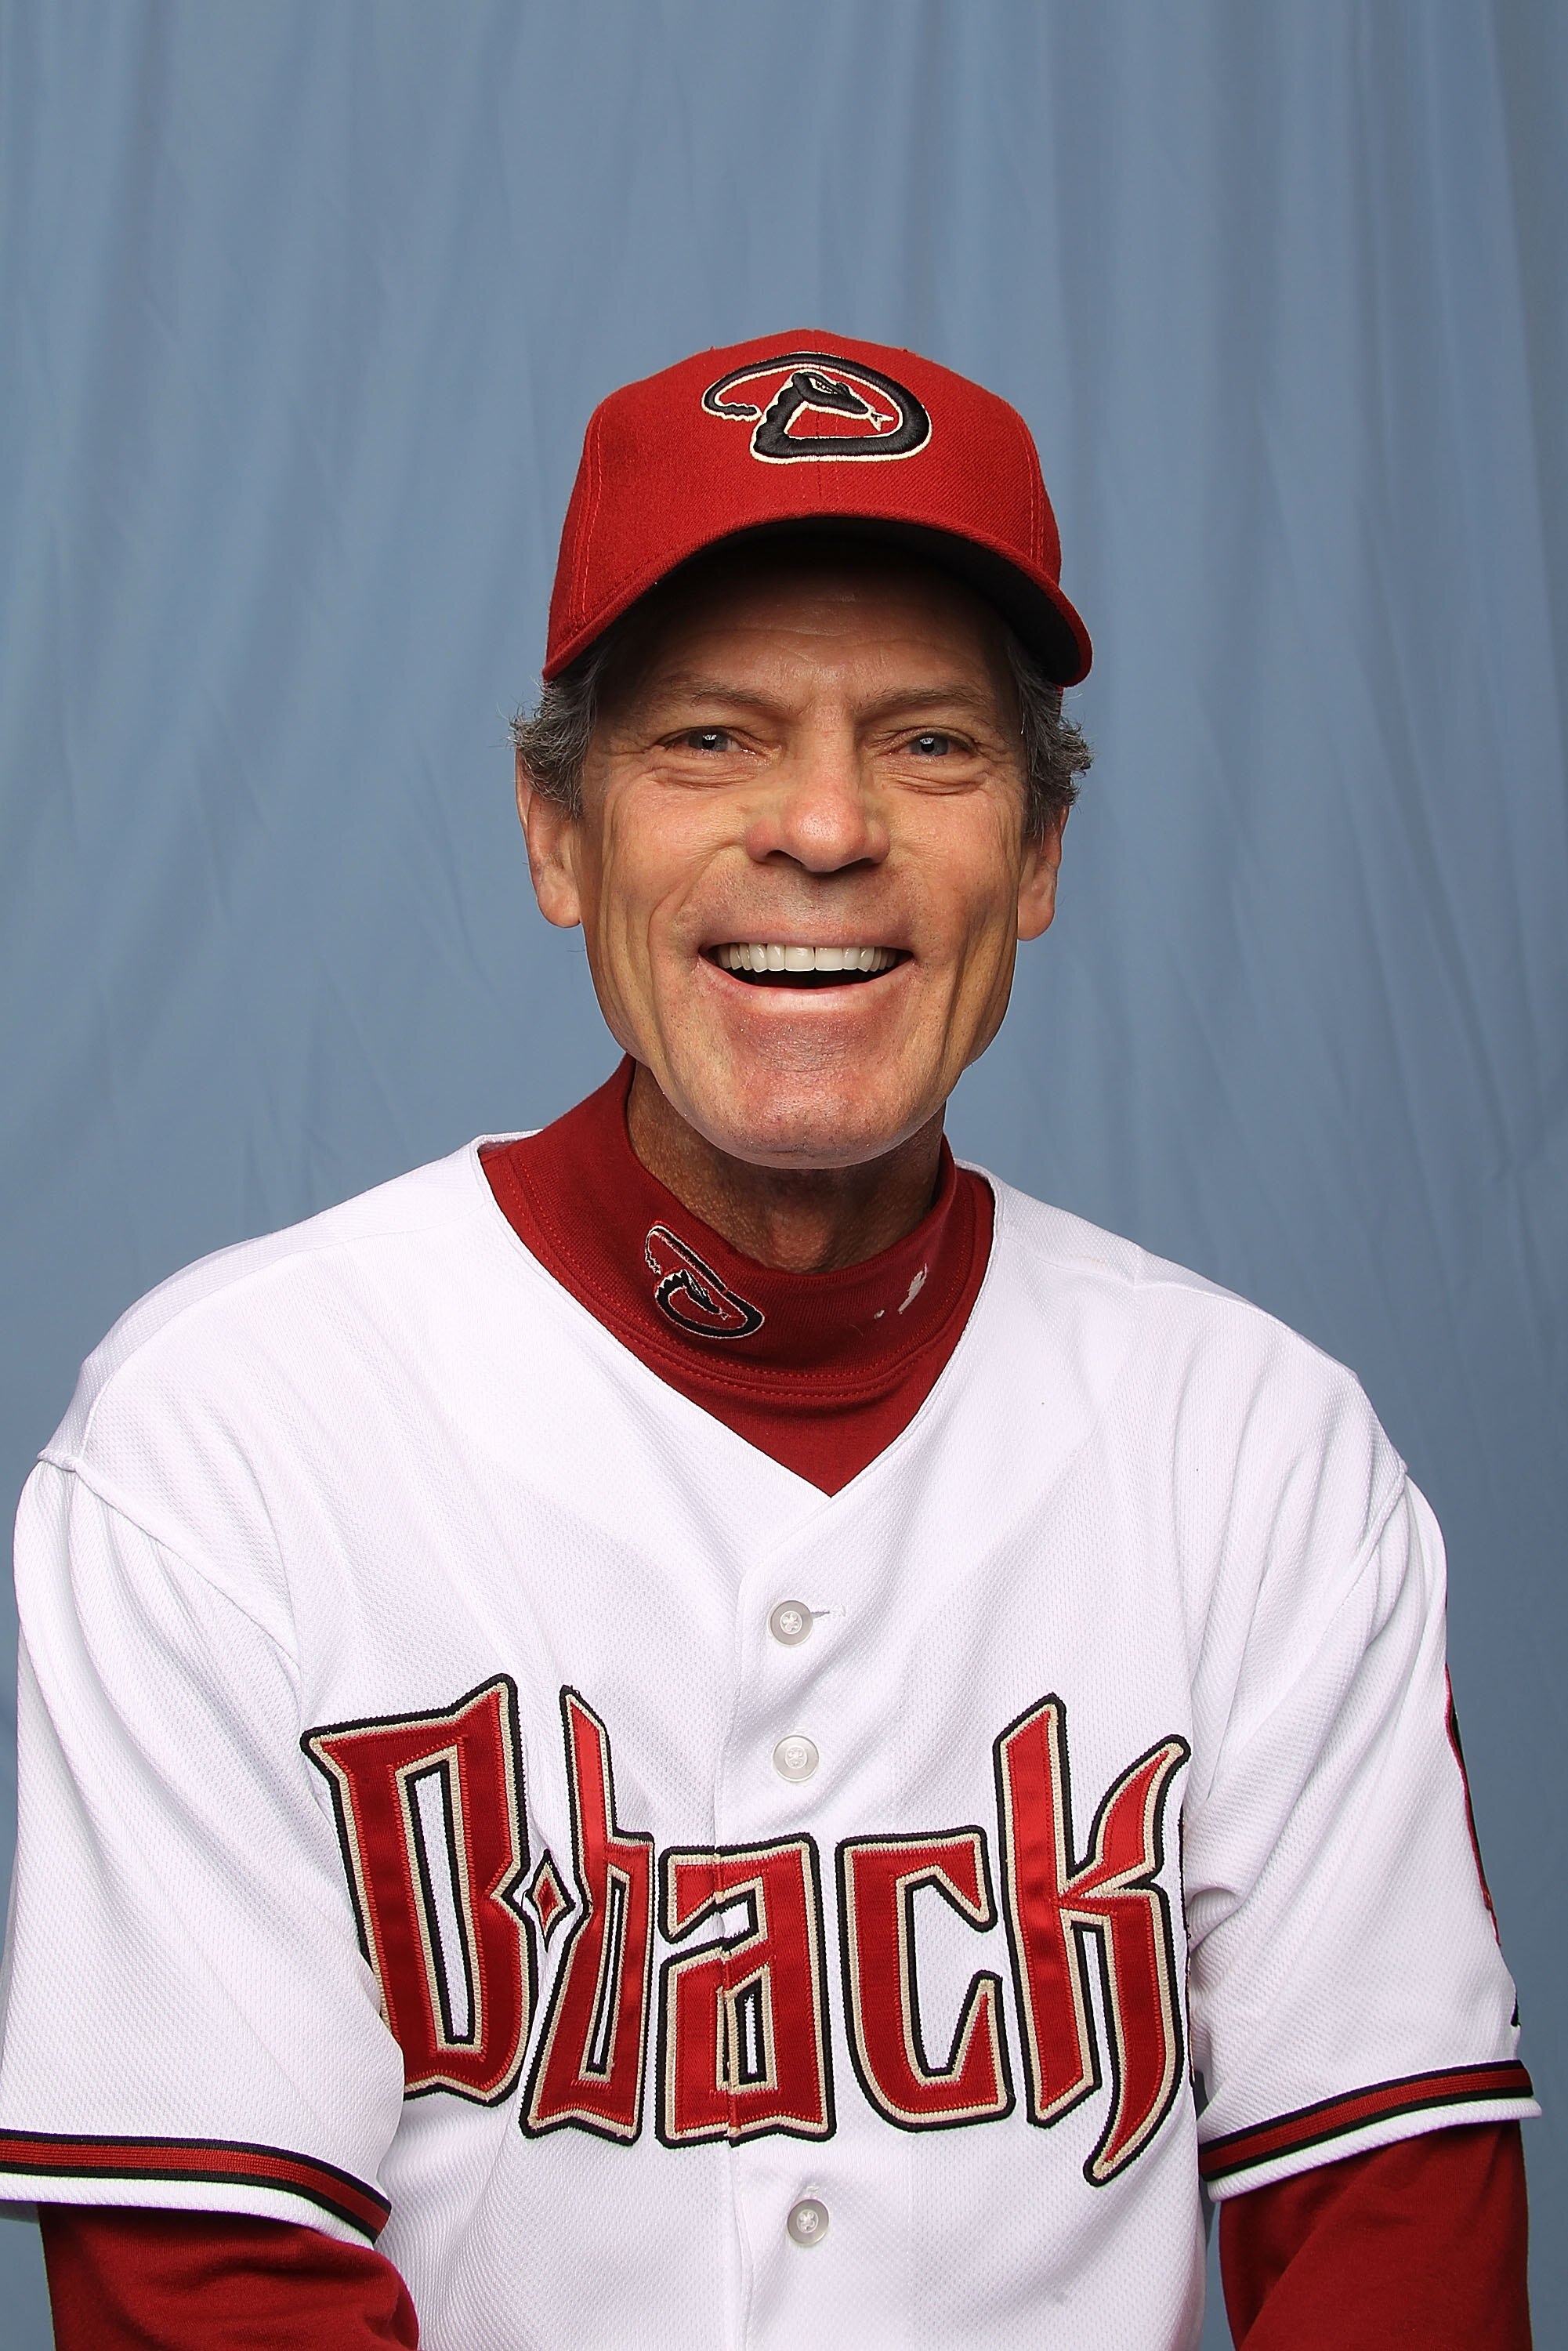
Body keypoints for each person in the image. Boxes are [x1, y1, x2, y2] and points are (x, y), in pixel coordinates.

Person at [0, 333, 1535, 2348]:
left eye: (927, 746)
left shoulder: (1259, 1451)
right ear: (559, 838)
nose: (821, 827)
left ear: (1040, 857)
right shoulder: (228, 1437)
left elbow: (1389, 2242)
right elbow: (205, 2289)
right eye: (710, 739)